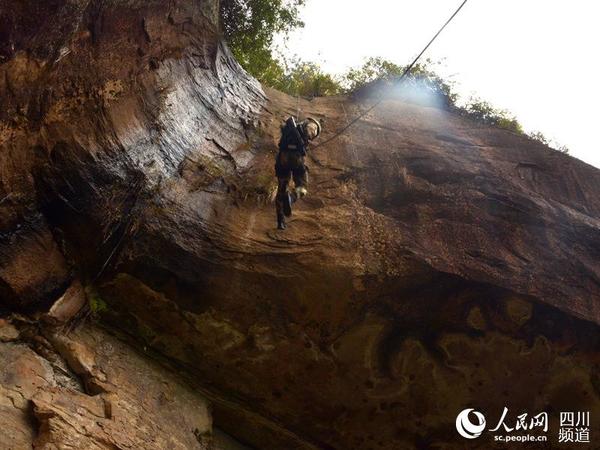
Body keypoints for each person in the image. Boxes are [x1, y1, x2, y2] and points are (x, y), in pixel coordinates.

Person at [275, 116, 321, 230]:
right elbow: (309, 132)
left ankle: (280, 221)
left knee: (281, 190)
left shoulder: (290, 127)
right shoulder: (312, 125)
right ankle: (291, 197)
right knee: (303, 187)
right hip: (296, 159)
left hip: (282, 159)